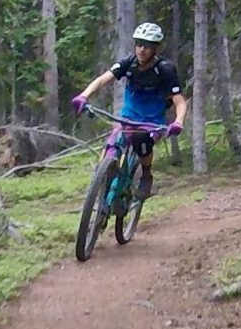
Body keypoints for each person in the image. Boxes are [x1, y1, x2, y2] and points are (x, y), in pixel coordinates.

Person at [71, 23, 188, 202]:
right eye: (139, 44)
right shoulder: (129, 63)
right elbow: (103, 79)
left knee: (142, 141)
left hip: (151, 121)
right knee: (111, 146)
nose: (142, 49)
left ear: (155, 48)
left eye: (147, 46)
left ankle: (146, 175)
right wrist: (84, 96)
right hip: (128, 116)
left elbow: (179, 101)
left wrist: (179, 121)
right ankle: (102, 183)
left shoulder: (165, 69)